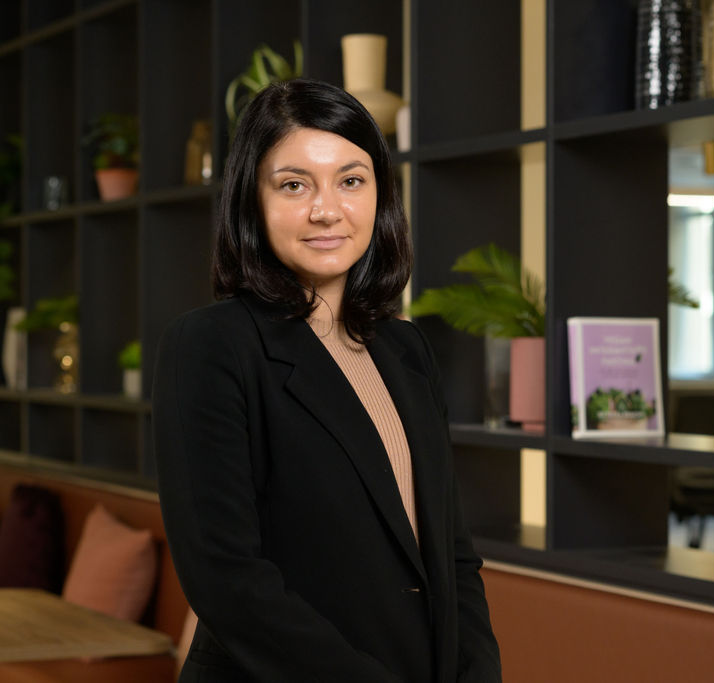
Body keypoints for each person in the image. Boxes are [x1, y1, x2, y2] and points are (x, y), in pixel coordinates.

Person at [153, 78, 502, 683]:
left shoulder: (407, 348)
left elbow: (453, 555)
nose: (327, 209)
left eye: (351, 180)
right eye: (294, 184)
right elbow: (227, 579)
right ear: (251, 199)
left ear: (380, 194)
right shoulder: (211, 345)